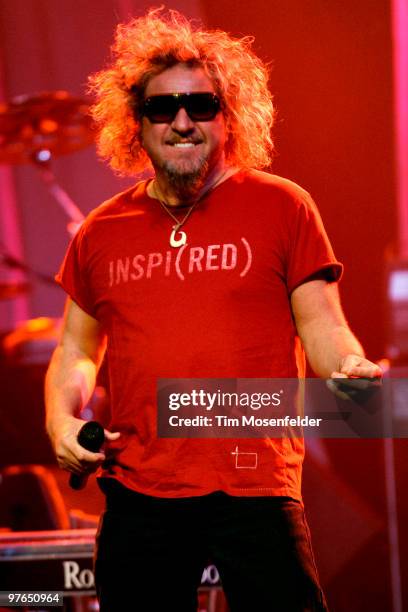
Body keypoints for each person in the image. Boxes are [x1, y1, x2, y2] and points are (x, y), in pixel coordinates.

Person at [45, 8, 382, 611]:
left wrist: (348, 366)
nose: (181, 122)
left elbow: (323, 324)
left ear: (227, 118)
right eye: (161, 108)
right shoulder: (101, 230)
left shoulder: (283, 206)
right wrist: (61, 419)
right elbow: (75, 349)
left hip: (253, 481)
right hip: (139, 490)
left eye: (200, 106)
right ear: (136, 123)